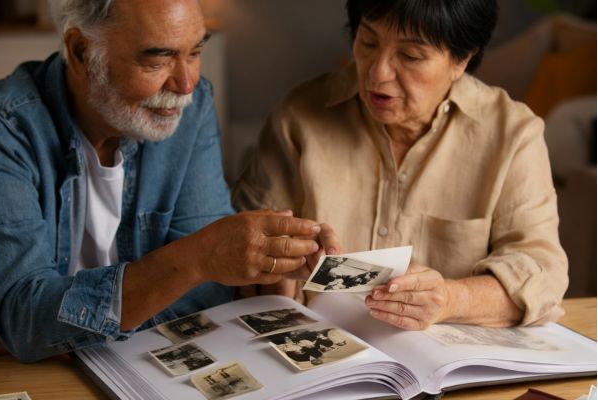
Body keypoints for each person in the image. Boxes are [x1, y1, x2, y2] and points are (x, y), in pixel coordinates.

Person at [0, 0, 339, 362]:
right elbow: (24, 323)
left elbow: (208, 295)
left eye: (195, 52)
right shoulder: (2, 129)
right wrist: (196, 259)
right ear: (81, 51)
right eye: (157, 60)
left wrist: (229, 267)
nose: (185, 84)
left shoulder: (190, 106)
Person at [233, 0, 568, 330]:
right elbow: (240, 257)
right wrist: (278, 268)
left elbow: (542, 273)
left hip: (445, 368)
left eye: (410, 56)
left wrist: (451, 299)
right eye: (368, 42)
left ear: (462, 59)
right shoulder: (299, 117)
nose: (378, 72)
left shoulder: (512, 135)